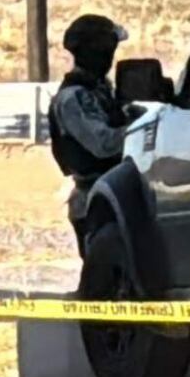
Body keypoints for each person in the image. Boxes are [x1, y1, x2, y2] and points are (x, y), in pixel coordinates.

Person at [48, 14, 131, 255]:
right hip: (93, 198)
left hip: (109, 191)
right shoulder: (73, 98)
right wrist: (141, 128)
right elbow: (103, 143)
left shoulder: (98, 90)